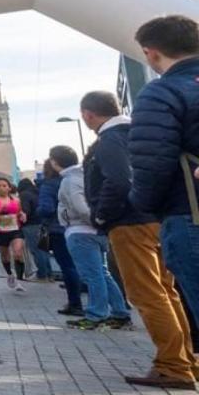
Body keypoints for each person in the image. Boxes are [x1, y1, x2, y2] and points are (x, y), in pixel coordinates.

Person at [82, 90, 197, 389]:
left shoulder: (109, 141)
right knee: (166, 292)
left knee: (148, 295)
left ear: (88, 114)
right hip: (159, 219)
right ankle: (185, 360)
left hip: (129, 224)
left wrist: (102, 215)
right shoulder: (140, 132)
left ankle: (172, 365)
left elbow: (119, 180)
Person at [129, 16, 199, 351]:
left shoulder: (163, 92)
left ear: (151, 53)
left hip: (189, 212)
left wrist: (144, 204)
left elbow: (152, 163)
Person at [51, 145, 131, 331]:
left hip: (81, 231)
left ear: (55, 162)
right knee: (103, 273)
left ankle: (97, 314)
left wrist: (95, 219)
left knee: (92, 275)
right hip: (96, 232)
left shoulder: (69, 181)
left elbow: (79, 205)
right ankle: (120, 312)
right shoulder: (84, 175)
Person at [37, 159, 84, 316]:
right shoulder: (81, 178)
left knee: (68, 267)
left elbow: (46, 208)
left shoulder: (48, 185)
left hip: (58, 228)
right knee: (94, 269)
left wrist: (38, 212)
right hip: (84, 226)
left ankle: (75, 303)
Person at [18, 178, 51, 281]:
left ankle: (41, 275)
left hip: (31, 225)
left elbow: (25, 210)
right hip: (43, 224)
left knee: (36, 250)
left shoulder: (24, 195)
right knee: (43, 250)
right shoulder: (38, 192)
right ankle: (48, 274)